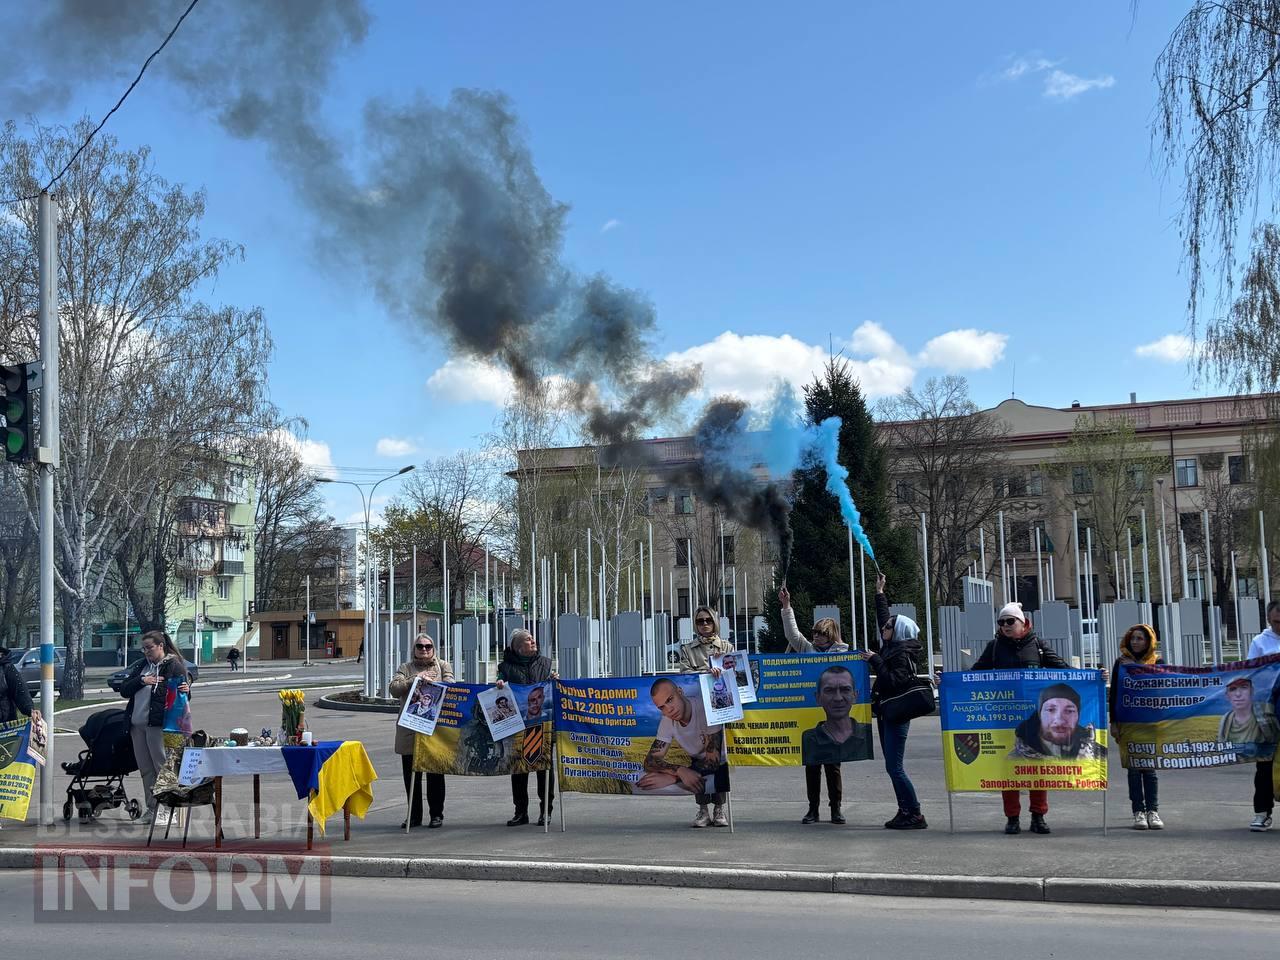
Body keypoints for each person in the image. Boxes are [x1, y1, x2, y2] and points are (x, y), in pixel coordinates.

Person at [971, 601, 1068, 835]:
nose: (1005, 625)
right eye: (1001, 622)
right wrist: (948, 684)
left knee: (1037, 767)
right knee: (1009, 768)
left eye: (1009, 621)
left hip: (1034, 718)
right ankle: (1012, 817)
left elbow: (1064, 669)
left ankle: (1038, 816)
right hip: (1003, 716)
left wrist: (1094, 676)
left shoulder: (1038, 645)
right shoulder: (994, 647)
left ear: (1023, 622)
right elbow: (973, 676)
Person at [780, 584, 852, 824]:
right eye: (814, 632)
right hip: (811, 715)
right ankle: (813, 808)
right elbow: (793, 634)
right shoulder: (807, 649)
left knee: (833, 765)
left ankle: (836, 808)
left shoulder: (844, 653)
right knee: (812, 764)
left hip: (834, 717)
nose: (815, 636)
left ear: (830, 635)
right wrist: (786, 606)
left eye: (820, 633)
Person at [869, 574, 927, 830]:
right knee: (891, 766)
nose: (883, 630)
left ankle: (914, 813)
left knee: (895, 767)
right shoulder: (894, 646)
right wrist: (880, 592)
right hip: (887, 712)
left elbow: (894, 682)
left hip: (896, 715)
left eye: (888, 628)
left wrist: (875, 660)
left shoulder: (901, 654)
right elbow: (885, 618)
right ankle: (904, 809)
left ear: (898, 631)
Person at [118, 631, 190, 826]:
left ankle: (168, 810)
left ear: (161, 646)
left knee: (162, 768)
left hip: (158, 725)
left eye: (149, 647)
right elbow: (124, 689)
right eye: (144, 648)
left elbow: (182, 695)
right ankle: (152, 809)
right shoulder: (143, 666)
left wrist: (186, 688)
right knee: (146, 769)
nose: (146, 652)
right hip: (137, 725)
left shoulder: (172, 666)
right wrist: (142, 680)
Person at [637, 678, 729, 827]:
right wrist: (679, 771)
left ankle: (719, 809)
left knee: (716, 772)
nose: (669, 709)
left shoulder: (705, 708)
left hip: (720, 759)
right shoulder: (667, 720)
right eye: (662, 707)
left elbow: (713, 761)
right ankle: (703, 810)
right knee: (692, 774)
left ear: (680, 692)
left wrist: (673, 778)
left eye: (670, 700)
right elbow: (650, 761)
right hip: (696, 758)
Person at [673, 605, 733, 826]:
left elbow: (734, 675)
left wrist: (722, 672)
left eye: (708, 620)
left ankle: (719, 808)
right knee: (697, 759)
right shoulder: (688, 649)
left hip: (719, 710)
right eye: (700, 621)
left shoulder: (726, 646)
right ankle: (702, 809)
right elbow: (684, 675)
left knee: (719, 760)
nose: (705, 624)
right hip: (697, 711)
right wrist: (705, 673)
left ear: (715, 622)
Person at [390, 634, 453, 829]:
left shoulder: (442, 666)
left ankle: (436, 814)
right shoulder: (406, 668)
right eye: (420, 646)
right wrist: (415, 680)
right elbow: (394, 688)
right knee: (411, 777)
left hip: (434, 731)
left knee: (435, 775)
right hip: (410, 729)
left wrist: (436, 683)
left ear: (433, 648)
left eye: (428, 646)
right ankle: (414, 816)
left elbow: (451, 685)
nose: (424, 650)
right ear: (414, 649)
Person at [496, 629, 555, 826]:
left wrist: (555, 681)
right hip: (518, 726)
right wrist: (499, 685)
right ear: (518, 647)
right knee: (518, 770)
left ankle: (546, 810)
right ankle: (520, 811)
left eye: (532, 638)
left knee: (544, 768)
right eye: (528, 640)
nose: (533, 641)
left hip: (543, 724)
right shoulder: (505, 667)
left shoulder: (546, 664)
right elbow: (497, 689)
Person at [1109, 624, 1164, 830]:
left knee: (1149, 770)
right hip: (1128, 722)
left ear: (1149, 641)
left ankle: (1153, 811)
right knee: (1133, 770)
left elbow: (1161, 686)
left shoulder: (1158, 662)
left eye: (1140, 638)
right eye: (1133, 638)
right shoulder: (1120, 663)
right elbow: (1114, 694)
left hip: (1151, 723)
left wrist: (1137, 667)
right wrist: (1114, 722)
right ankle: (1138, 812)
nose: (1135, 642)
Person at [1246, 600, 1280, 831]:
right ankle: (1262, 812)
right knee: (1265, 764)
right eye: (1277, 620)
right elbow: (1250, 673)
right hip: (1268, 712)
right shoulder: (1260, 642)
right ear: (1269, 619)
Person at [1009, 683, 1106, 760]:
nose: (1059, 721)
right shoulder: (1017, 758)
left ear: (1078, 716)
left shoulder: (1097, 754)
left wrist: (1099, 676)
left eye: (1069, 711)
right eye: (1051, 710)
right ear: (1039, 714)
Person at [1219, 677, 1279, 756]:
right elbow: (1221, 745)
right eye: (1233, 689)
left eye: (1244, 687)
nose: (1238, 694)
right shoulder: (1226, 718)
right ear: (1227, 695)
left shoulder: (1266, 711)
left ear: (1252, 691)